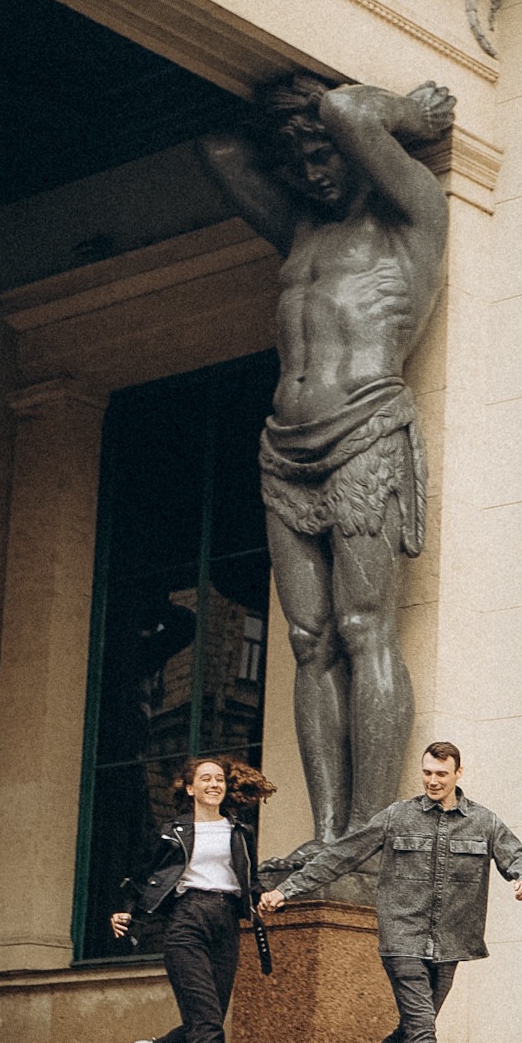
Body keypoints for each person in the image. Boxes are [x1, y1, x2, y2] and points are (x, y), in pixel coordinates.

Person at [196, 71, 454, 848]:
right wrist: (297, 137)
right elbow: (217, 148)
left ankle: (370, 833)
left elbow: (345, 107)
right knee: (310, 642)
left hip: (366, 426)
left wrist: (403, 116)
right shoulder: (301, 231)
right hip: (284, 444)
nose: (312, 174)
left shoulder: (413, 212)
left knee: (363, 626)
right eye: (298, 162)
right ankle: (328, 832)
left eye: (325, 156)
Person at [258, 741, 522, 1043]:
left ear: (459, 774)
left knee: (412, 1029)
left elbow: (519, 857)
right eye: (427, 773)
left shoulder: (484, 823)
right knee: (422, 1025)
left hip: (451, 941)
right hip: (402, 937)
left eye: (441, 774)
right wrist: (288, 889)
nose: (433, 781)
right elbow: (341, 855)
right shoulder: (397, 816)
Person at [112, 756, 276, 1043]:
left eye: (219, 779)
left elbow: (247, 879)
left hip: (226, 923)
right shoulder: (172, 832)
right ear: (190, 788)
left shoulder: (239, 831)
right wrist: (124, 911)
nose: (214, 784)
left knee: (209, 1019)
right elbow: (140, 877)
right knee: (205, 1020)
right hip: (186, 920)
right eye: (205, 779)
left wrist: (263, 897)